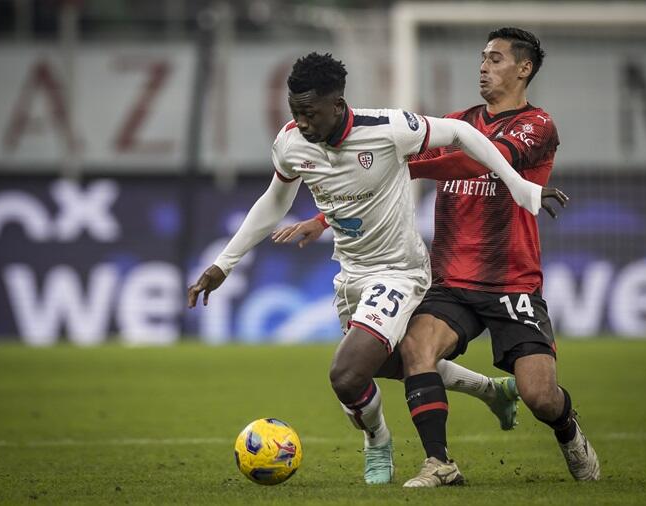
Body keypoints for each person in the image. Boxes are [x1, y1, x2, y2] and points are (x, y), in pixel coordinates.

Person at [188, 52, 567, 485]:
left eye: (310, 113)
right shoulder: (291, 143)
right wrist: (223, 264)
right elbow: (274, 201)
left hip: (399, 271)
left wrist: (519, 185)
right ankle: (491, 390)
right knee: (387, 364)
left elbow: (462, 133)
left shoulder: (388, 128)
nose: (302, 123)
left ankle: (378, 441)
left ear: (337, 104)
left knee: (346, 374)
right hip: (350, 274)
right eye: (295, 113)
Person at [276, 29, 599, 487]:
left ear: (524, 68)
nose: (483, 67)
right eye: (482, 58)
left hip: (511, 281)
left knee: (540, 397)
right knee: (415, 351)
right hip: (451, 280)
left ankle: (568, 431)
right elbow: (372, 182)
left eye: (496, 59)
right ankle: (439, 463)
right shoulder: (456, 122)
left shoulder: (536, 125)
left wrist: (397, 163)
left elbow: (479, 161)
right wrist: (323, 217)